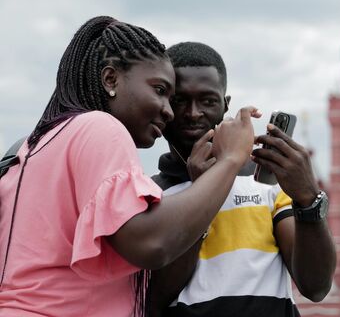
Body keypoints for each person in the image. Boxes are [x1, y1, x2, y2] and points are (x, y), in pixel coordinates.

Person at [0, 17, 259, 317]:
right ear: (111, 79)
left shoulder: (34, 145)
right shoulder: (100, 128)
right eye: (161, 91)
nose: (169, 110)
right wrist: (230, 161)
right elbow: (151, 243)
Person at [150, 42, 336, 316]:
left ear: (226, 106)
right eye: (180, 100)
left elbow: (316, 287)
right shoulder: (151, 193)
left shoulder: (266, 184)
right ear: (164, 106)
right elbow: (156, 299)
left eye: (208, 101)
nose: (193, 113)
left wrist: (308, 199)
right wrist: (203, 195)